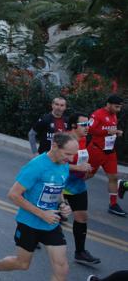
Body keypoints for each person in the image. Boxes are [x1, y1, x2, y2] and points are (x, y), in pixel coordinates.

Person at [0, 133, 78, 281]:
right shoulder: (36, 166)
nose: (71, 159)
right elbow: (13, 195)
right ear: (54, 146)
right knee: (22, 264)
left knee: (62, 269)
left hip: (51, 224)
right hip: (29, 223)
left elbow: (58, 188)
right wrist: (42, 214)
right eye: (68, 154)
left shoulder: (63, 165)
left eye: (74, 155)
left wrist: (63, 204)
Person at [62, 113, 100, 265]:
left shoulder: (84, 139)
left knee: (82, 217)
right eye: (84, 125)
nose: (87, 127)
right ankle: (32, 237)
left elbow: (82, 158)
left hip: (77, 184)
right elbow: (55, 162)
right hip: (59, 183)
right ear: (73, 126)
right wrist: (77, 167)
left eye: (88, 124)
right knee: (47, 214)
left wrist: (85, 170)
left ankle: (80, 252)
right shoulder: (62, 140)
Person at [88, 95, 125, 216]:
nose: (118, 109)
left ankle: (113, 204)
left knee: (113, 177)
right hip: (96, 151)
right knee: (87, 175)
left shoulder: (114, 115)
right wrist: (107, 132)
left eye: (120, 107)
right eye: (116, 107)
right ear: (108, 104)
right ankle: (64, 193)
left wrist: (116, 133)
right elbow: (89, 129)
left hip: (110, 152)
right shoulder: (97, 114)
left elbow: (110, 130)